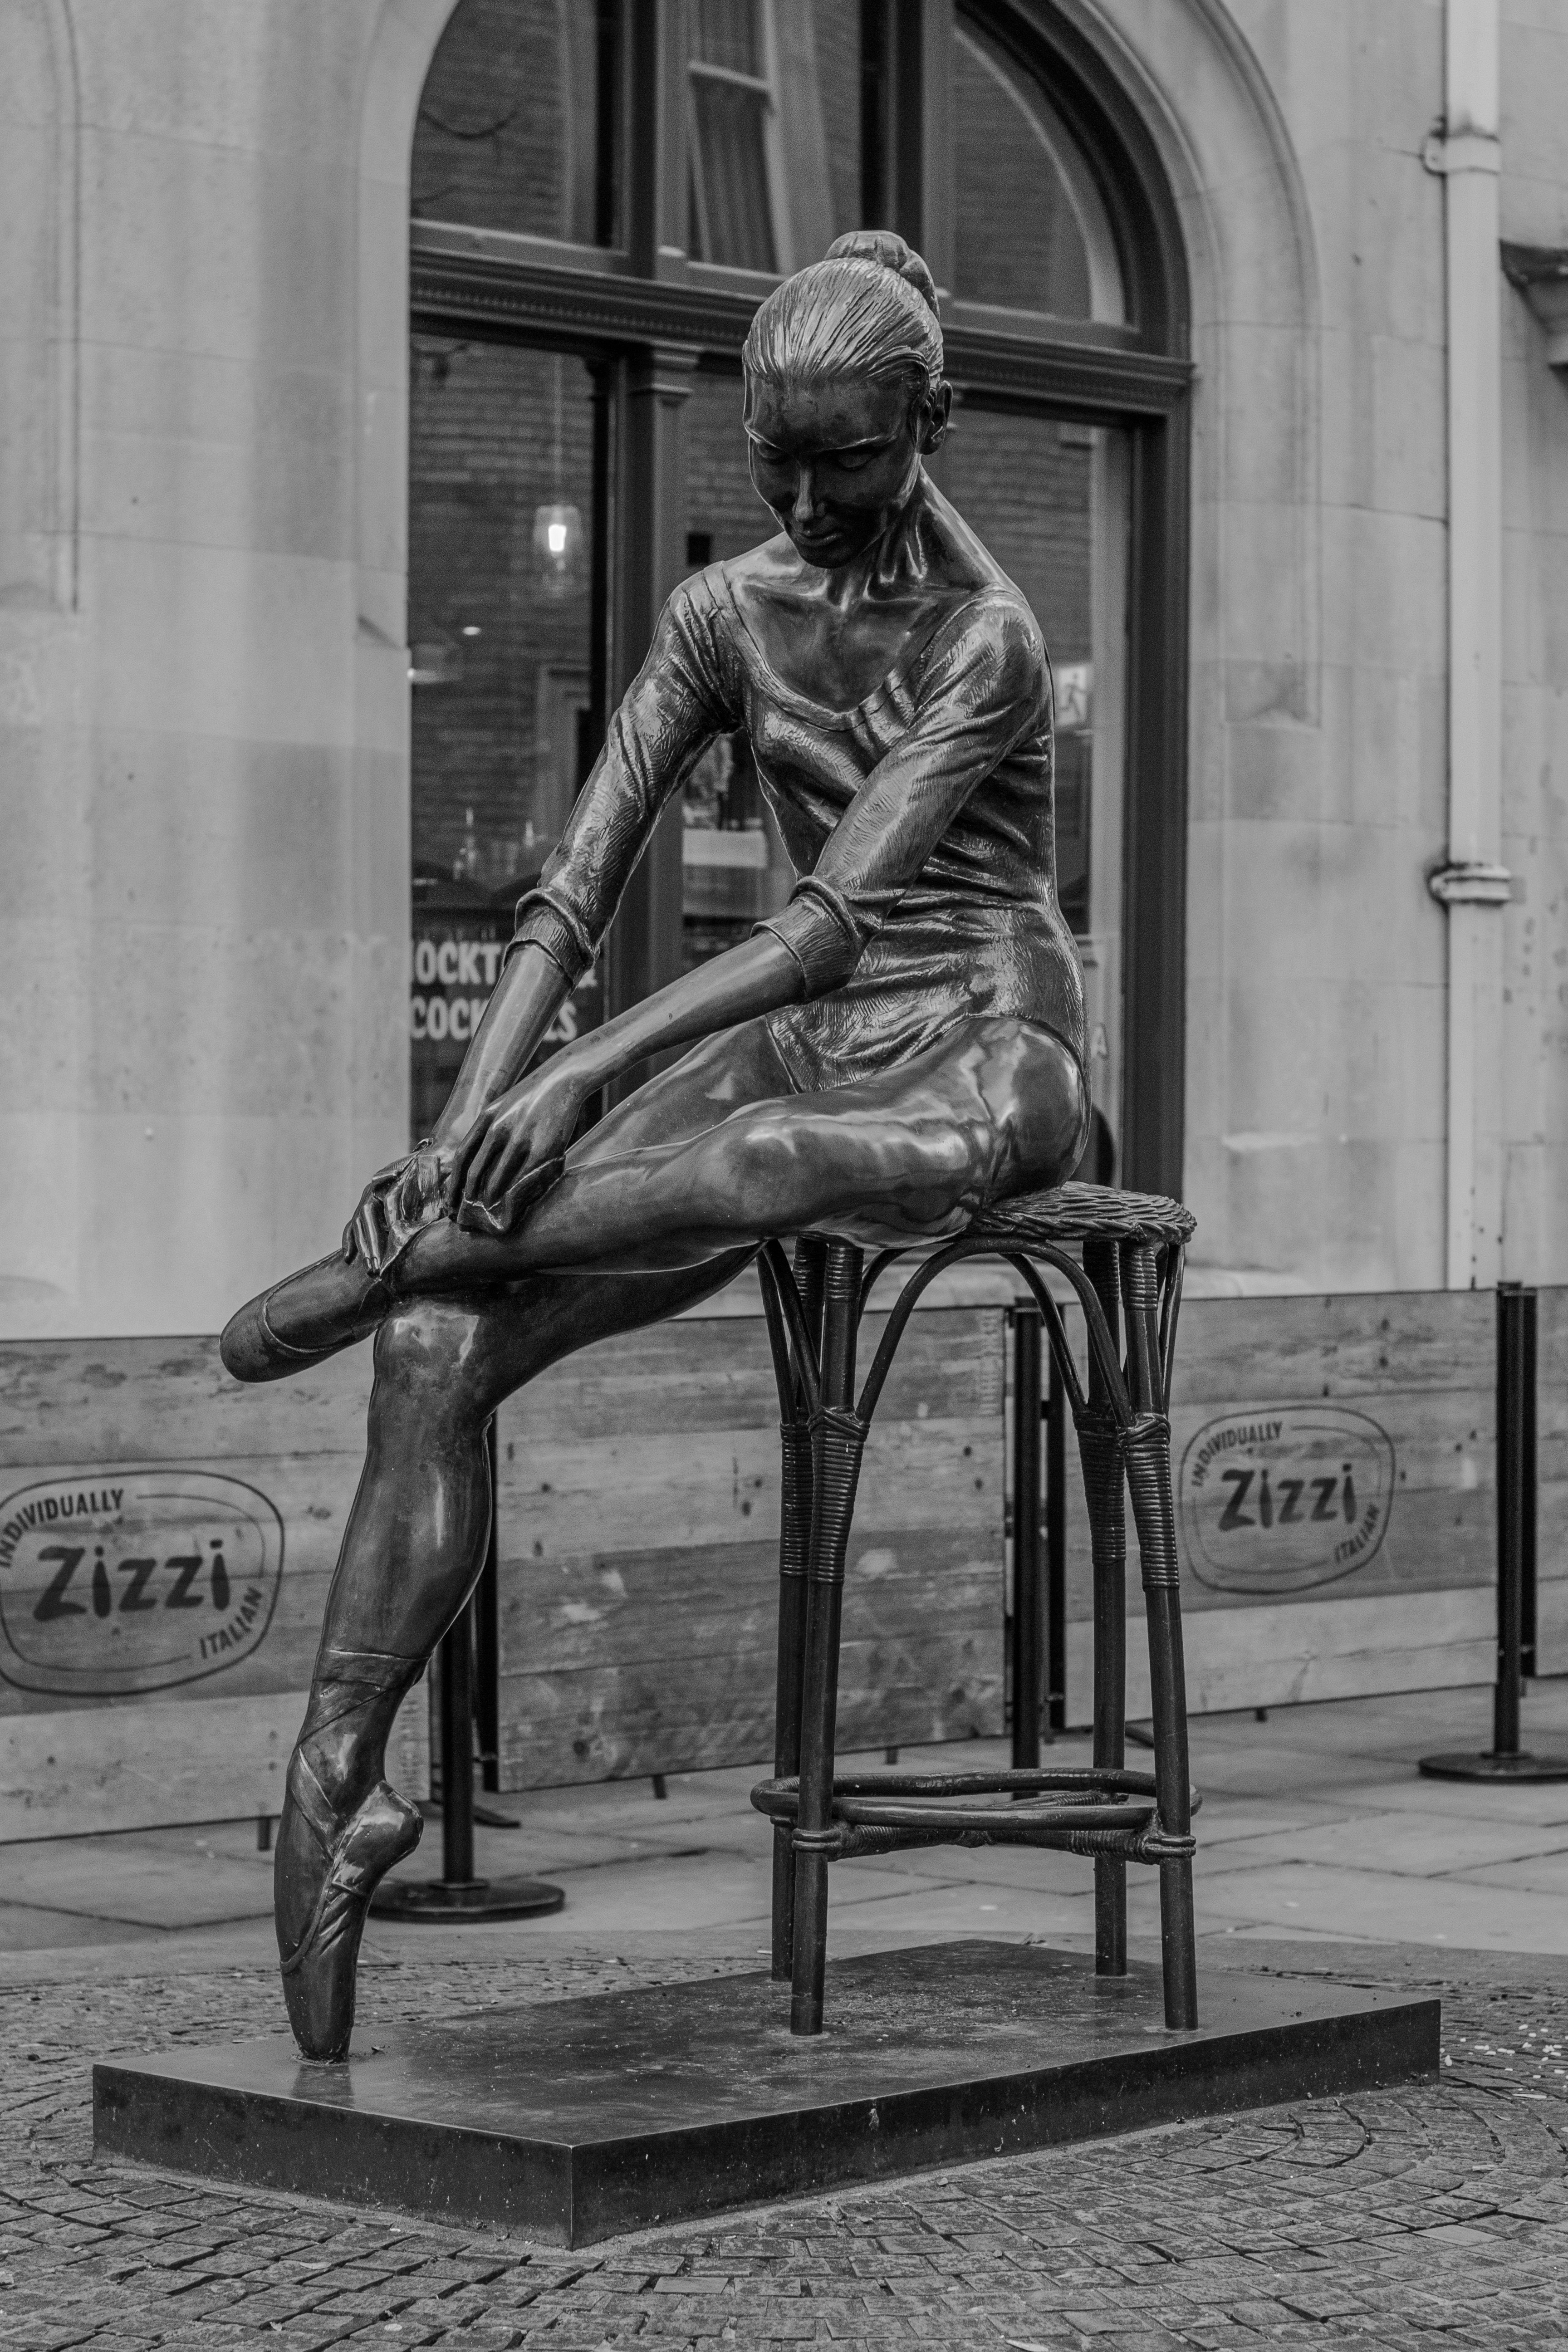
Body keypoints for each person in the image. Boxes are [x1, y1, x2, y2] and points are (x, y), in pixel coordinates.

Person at [222, 230, 1089, 2060]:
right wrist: (470, 1114)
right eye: (774, 457)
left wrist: (570, 1096)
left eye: (843, 457)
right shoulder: (724, 614)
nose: (801, 495)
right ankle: (329, 1783)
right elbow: (574, 884)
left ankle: (420, 1245)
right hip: (788, 1034)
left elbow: (830, 920)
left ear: (929, 423)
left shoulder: (989, 637)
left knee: (775, 1155)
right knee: (435, 1344)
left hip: (981, 1028)